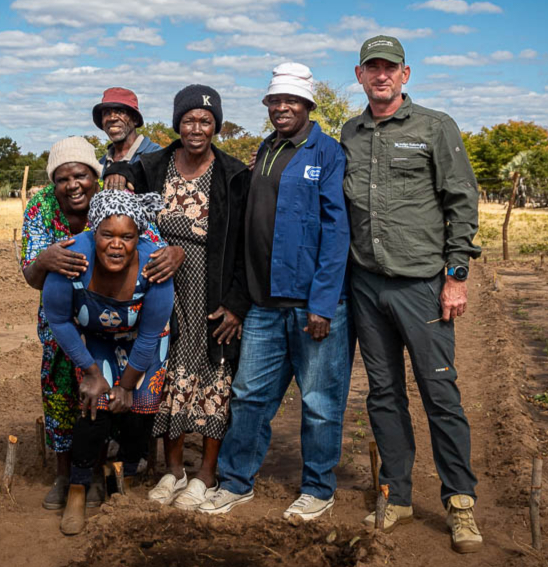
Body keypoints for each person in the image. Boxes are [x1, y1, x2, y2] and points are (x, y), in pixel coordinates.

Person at [340, 36, 482, 553]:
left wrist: (456, 274)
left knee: (439, 393)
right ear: (359, 75)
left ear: (405, 74)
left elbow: (461, 199)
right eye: (372, 68)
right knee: (383, 394)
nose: (381, 76)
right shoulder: (349, 132)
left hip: (422, 283)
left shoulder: (434, 126)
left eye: (390, 68)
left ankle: (460, 503)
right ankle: (396, 494)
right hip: (366, 284)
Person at [200, 63, 353, 521]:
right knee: (249, 397)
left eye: (291, 101)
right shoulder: (266, 149)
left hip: (313, 306)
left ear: (308, 105)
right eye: (274, 101)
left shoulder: (326, 152)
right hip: (265, 305)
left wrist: (323, 303)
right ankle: (235, 482)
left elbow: (336, 230)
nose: (281, 107)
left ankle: (318, 490)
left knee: (320, 404)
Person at [108, 84, 251, 510]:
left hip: (212, 289)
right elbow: (128, 177)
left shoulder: (232, 174)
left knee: (214, 375)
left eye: (206, 121)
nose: (197, 128)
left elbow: (246, 245)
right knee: (166, 370)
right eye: (189, 119)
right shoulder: (154, 165)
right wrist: (120, 174)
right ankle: (173, 469)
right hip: (160, 287)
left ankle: (205, 473)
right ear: (177, 123)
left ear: (216, 126)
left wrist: (237, 303)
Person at [43, 190, 173, 535]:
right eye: (107, 235)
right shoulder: (72, 259)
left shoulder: (153, 265)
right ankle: (78, 487)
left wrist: (127, 386)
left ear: (139, 237)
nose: (117, 245)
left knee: (140, 406)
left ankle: (123, 480)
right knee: (94, 403)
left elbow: (150, 334)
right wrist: (91, 372)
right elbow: (57, 319)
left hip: (144, 342)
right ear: (93, 232)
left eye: (127, 237)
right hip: (95, 340)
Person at [20, 136, 104, 511]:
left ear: (95, 176)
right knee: (58, 394)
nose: (73, 185)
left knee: (102, 391)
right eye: (63, 178)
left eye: (81, 175)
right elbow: (32, 276)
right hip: (58, 321)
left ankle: (96, 473)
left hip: (106, 320)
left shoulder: (108, 203)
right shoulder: (40, 206)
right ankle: (64, 474)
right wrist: (47, 259)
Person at [93, 87, 161, 184]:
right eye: (106, 113)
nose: (112, 118)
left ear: (135, 119)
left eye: (120, 112)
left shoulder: (156, 155)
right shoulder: (101, 164)